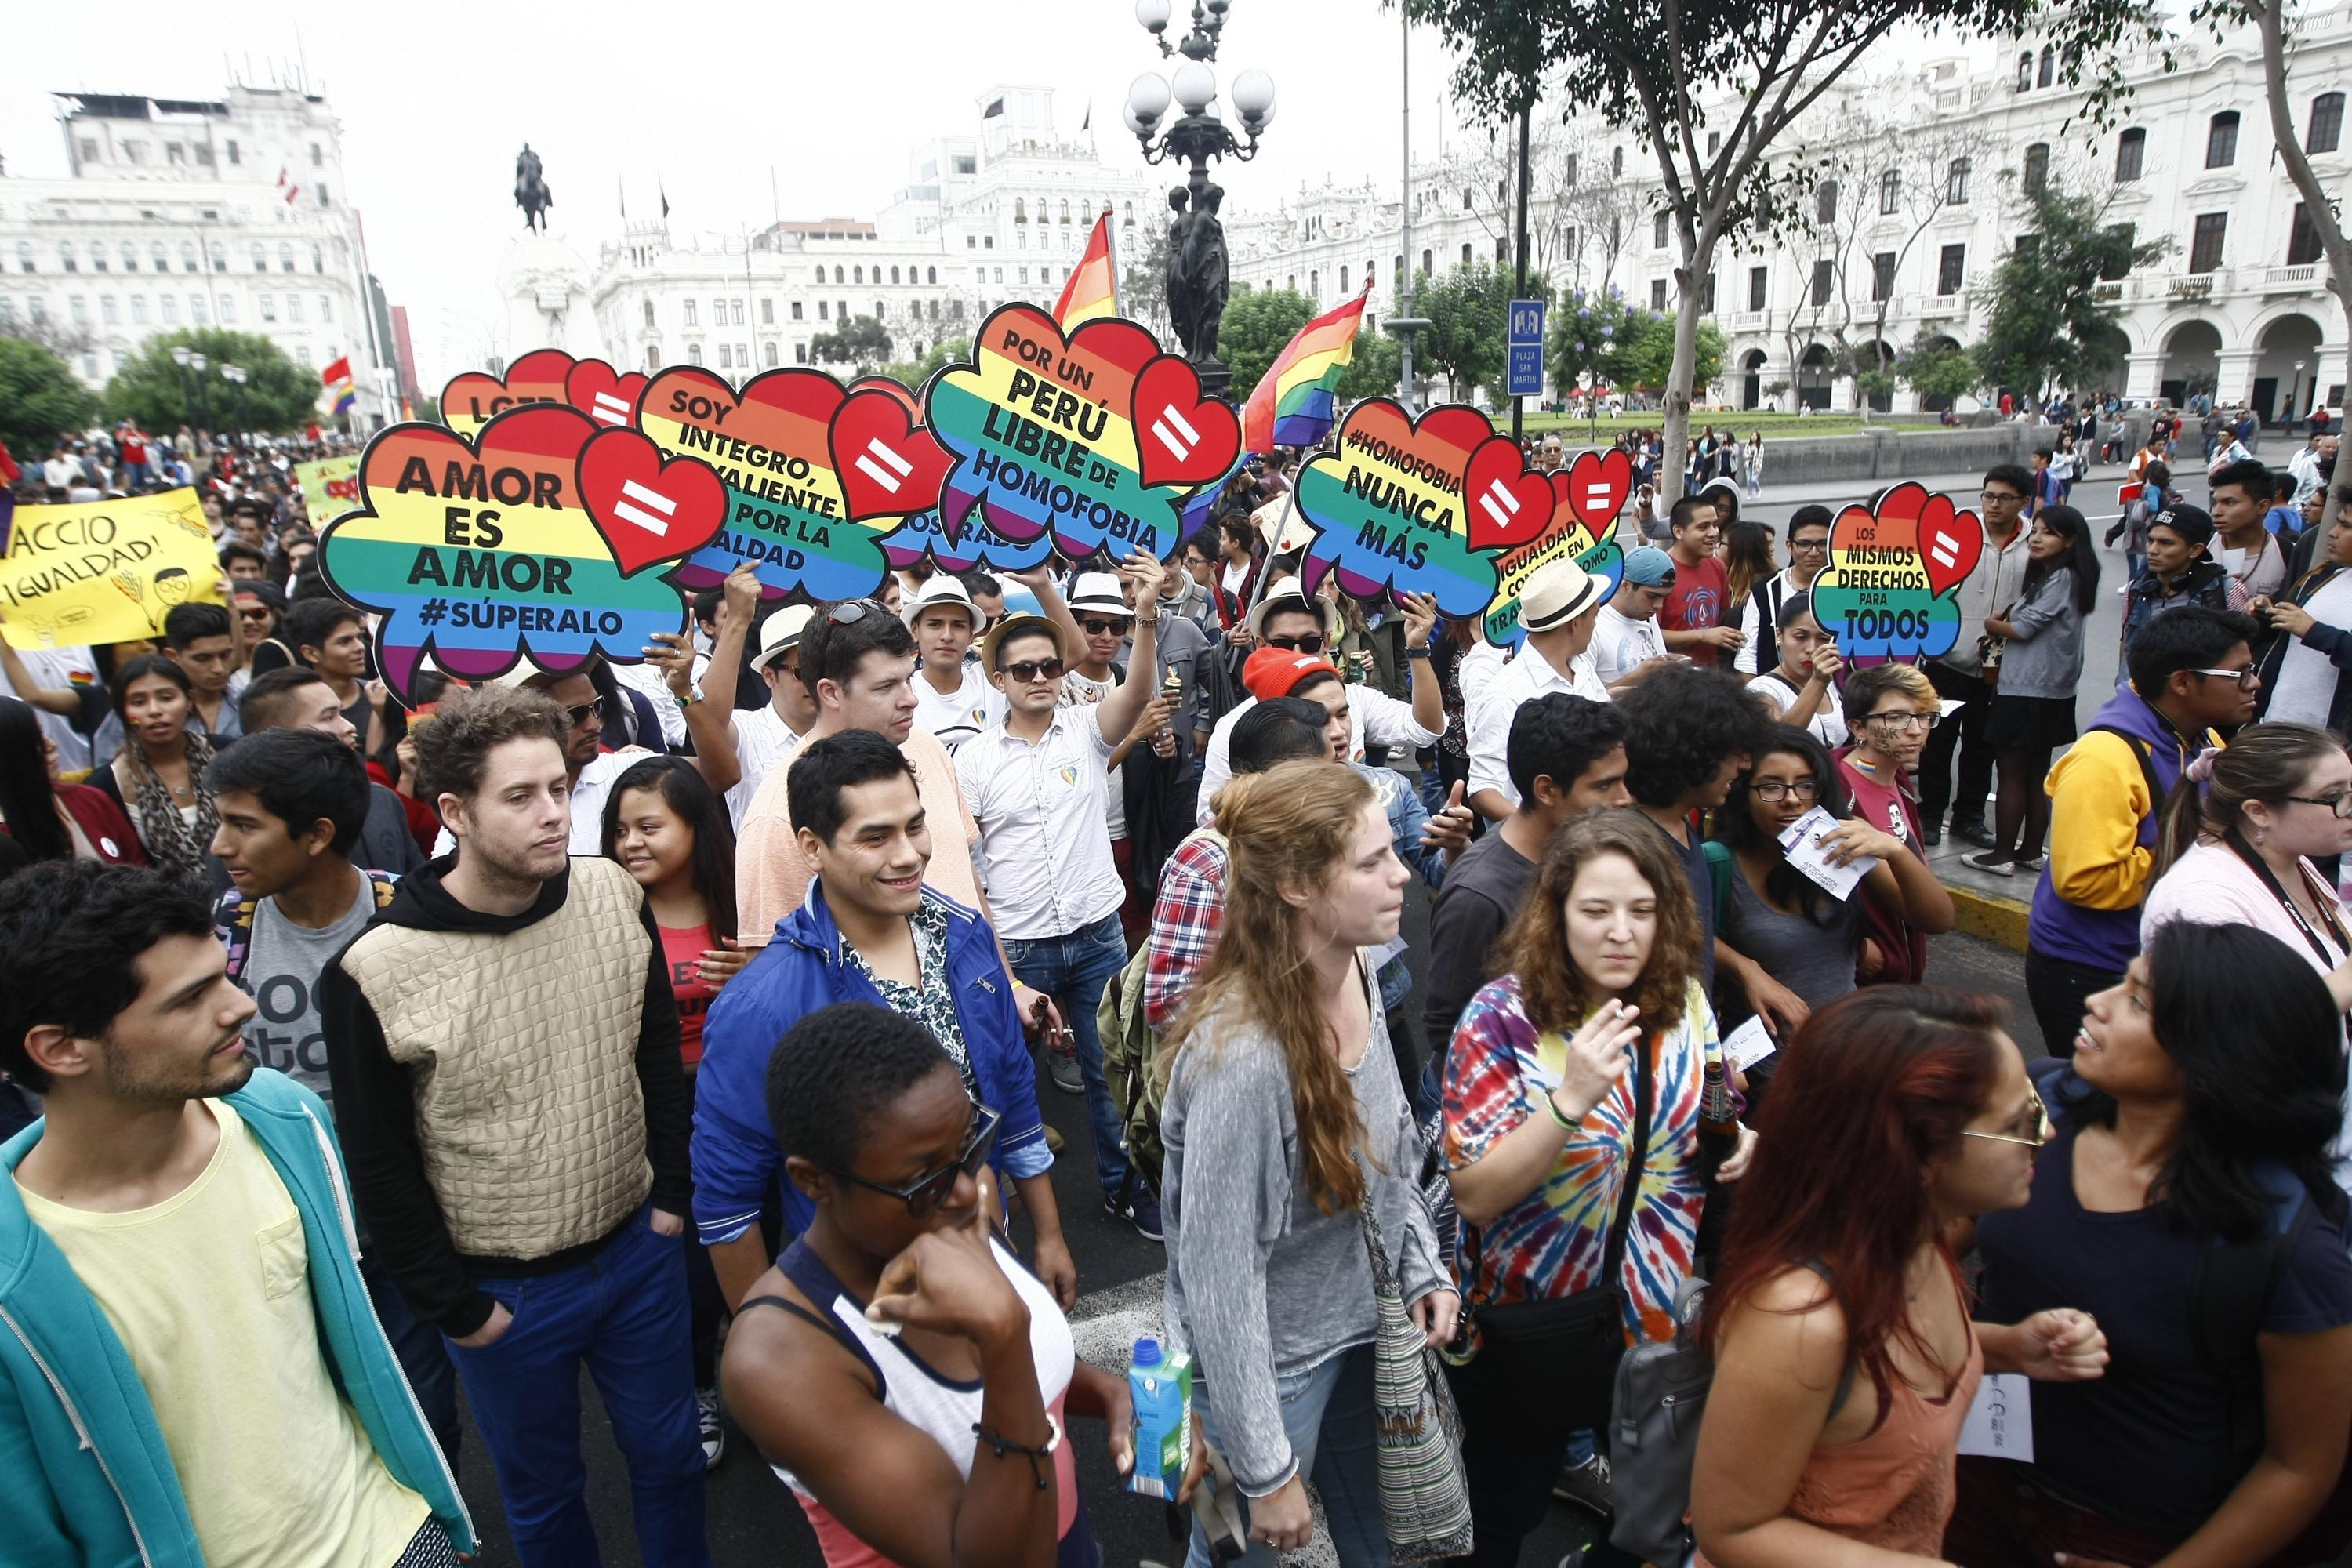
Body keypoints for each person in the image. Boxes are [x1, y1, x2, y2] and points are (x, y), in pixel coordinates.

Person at [319, 683, 707, 1568]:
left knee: (672, 1460)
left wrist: (670, 1202)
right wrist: (457, 1307)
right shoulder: (376, 967)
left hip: (639, 1250)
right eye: (520, 796)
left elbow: (656, 1057)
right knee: (543, 1500)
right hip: (505, 1294)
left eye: (560, 789)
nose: (550, 814)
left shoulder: (612, 892)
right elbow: (379, 1160)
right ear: (453, 809)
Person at [0, 861, 477, 1567]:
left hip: (399, 1539)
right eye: (190, 999)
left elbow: (351, 1352)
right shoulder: (17, 1279)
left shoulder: (286, 1122)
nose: (240, 1004)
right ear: (63, 1048)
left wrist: (431, 1516)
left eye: (223, 974)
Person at [1951, 924, 2352, 1566]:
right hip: (1970, 1477)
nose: (2097, 1002)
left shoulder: (2289, 1247)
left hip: (2125, 1536)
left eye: (2138, 1000)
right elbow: (1944, 1232)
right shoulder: (2044, 1099)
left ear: (2218, 1052)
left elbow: (2300, 1466)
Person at [1694, 989, 2110, 1566]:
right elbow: (1731, 1531)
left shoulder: (1922, 1240)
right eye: (2020, 1120)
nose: (2047, 1135)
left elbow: (1883, 1369)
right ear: (1916, 1155)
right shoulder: (1798, 1323)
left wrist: (2010, 1348)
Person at [1160, 760, 1454, 1567]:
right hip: (1270, 1372)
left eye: (1393, 852)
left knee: (1378, 1550)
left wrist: (1422, 1264)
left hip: (1363, 1329)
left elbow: (1391, 1134)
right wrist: (1264, 1468)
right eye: (1371, 862)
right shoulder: (1244, 1057)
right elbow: (1218, 1276)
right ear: (1293, 884)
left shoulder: (1357, 959)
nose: (1403, 875)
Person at [721, 1002, 1134, 1568]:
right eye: (922, 1179)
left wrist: (1107, 1391)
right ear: (813, 1182)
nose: (970, 1194)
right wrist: (1003, 1338)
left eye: (970, 1148)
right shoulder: (778, 1359)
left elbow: (1027, 1378)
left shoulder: (943, 1207)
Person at [1443, 810, 1752, 1563]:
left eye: (1642, 911)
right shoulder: (1502, 1020)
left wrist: (1741, 1141)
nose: (1622, 931)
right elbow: (1476, 1195)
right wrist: (1569, 1100)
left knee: (1650, 1517)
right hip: (1525, 1325)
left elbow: (1716, 1109)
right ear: (1555, 914)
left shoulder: (1685, 1001)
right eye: (1597, 911)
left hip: (1651, 1322)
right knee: (1501, 1519)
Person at [694, 731, 1073, 1305]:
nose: (908, 854)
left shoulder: (967, 936)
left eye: (914, 826)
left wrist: (1048, 1234)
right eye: (876, 837)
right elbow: (728, 1203)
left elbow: (1013, 1093)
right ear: (812, 847)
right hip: (869, 1303)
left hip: (992, 1253)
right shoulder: (761, 1005)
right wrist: (776, 1344)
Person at [957, 590, 1169, 1241]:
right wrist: (1001, 962)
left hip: (1097, 932)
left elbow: (1134, 695)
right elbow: (971, 872)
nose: (1042, 678)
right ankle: (990, 1209)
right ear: (1000, 681)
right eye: (1025, 670)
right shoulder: (973, 760)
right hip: (1020, 947)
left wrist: (1146, 620)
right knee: (995, 1079)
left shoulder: (1084, 728)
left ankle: (1125, 1190)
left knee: (1113, 1075)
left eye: (1050, 666)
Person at [2027, 606, 2263, 1057]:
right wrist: (2201, 845)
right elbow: (2086, 882)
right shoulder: (2105, 759)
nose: (2254, 683)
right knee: (2102, 1108)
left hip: (2153, 960)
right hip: (2093, 970)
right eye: (2240, 673)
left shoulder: (2203, 738)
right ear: (2183, 683)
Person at [603, 755, 749, 1468]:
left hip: (737, 1108)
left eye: (649, 826)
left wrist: (756, 977)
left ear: (696, 827)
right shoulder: (601, 915)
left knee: (758, 1251)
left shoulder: (738, 906)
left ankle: (757, 1372)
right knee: (689, 1268)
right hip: (655, 1114)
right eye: (621, 828)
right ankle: (698, 1386)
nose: (631, 842)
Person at [1713, 725, 1953, 1041]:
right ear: (1744, 794)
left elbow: (1937, 920)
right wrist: (1745, 969)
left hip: (1845, 1051)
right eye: (1771, 787)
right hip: (1763, 1068)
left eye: (1806, 786)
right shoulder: (1719, 860)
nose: (1792, 800)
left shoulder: (1840, 842)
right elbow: (1686, 937)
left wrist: (1896, 852)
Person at [1423, 695, 1631, 1057]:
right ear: (1546, 790)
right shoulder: (1478, 898)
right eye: (1603, 786)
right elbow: (1450, 1031)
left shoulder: (1589, 855)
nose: (1625, 798)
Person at [2144, 723, 2352, 1035]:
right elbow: (2239, 1030)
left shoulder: (2291, 860)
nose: (2349, 807)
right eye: (2334, 796)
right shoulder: (2200, 898)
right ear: (2259, 811)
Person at [1617, 664, 1790, 1024]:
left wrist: (1744, 968)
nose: (1745, 765)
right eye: (1734, 752)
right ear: (1693, 752)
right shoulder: (1633, 855)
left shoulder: (1680, 824)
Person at [1194, 582, 1443, 824]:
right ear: (1261, 645)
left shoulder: (1353, 698)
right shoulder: (1234, 727)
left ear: (1325, 641)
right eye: (1283, 643)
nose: (1297, 654)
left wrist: (1417, 650)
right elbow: (1211, 818)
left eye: (1310, 642)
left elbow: (1425, 729)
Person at [1964, 504, 2100, 877]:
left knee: (2011, 773)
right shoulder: (2066, 576)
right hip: (2053, 690)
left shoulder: (2062, 578)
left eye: (2047, 533)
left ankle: (2002, 854)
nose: (2036, 538)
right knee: (2035, 773)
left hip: (2028, 690)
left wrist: (1994, 623)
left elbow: (2023, 628)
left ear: (2070, 540)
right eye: (2035, 531)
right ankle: (2027, 851)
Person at [1922, 465, 2033, 849]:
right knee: (1936, 742)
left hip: (1999, 668)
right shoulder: (1957, 534)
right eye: (1988, 496)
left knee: (1982, 747)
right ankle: (1931, 814)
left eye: (2004, 498)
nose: (1993, 505)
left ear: (2023, 502)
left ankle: (1968, 817)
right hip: (1945, 659)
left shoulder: (2035, 542)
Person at [239, 666, 427, 875]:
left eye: (340, 713)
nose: (349, 727)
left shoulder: (381, 799)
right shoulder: (248, 827)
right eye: (328, 718)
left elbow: (417, 886)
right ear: (278, 736)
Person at [1467, 558, 1613, 820]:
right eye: (1594, 616)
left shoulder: (1583, 670)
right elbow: (1483, 788)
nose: (1595, 625)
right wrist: (1538, 833)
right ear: (1575, 623)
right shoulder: (1506, 693)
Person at [1832, 662, 1944, 990]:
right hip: (1861, 987)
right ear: (1859, 727)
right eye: (1896, 718)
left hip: (1903, 977)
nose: (1915, 730)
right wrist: (1854, 945)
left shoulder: (1898, 776)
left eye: (1924, 716)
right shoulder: (1833, 792)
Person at [87, 655, 220, 883]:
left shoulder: (224, 751)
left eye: (167, 698)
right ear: (122, 712)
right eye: (138, 703)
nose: (155, 710)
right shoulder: (106, 785)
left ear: (189, 701)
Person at [0, 695, 144, 865]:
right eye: (32, 739)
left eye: (42, 733)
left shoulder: (90, 800)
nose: (51, 745)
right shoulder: (5, 839)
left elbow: (141, 871)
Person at [2255, 491, 2352, 732]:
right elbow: (2287, 639)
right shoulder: (2324, 575)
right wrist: (2267, 613)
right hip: (2276, 722)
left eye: (2346, 526)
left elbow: (2310, 631)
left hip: (2330, 744)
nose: (2332, 532)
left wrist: (2314, 631)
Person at [2119, 504, 2249, 681]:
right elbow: (2128, 643)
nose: (2152, 550)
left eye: (2166, 543)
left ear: (2195, 550)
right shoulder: (2135, 590)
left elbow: (2241, 654)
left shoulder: (2225, 591)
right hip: (2139, 699)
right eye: (2151, 540)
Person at [727, 603, 818, 827]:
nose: (816, 681)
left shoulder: (850, 730)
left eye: (824, 667)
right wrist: (737, 620)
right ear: (768, 676)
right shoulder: (745, 731)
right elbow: (709, 722)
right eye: (802, 671)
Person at [1733, 505, 1831, 677]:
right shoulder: (1766, 590)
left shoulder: (1849, 589)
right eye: (1805, 544)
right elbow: (1748, 657)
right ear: (1789, 546)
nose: (1814, 552)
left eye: (1823, 544)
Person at [906, 575, 1000, 753]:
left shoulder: (993, 680)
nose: (947, 636)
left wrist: (1042, 586)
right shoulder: (901, 693)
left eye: (958, 626)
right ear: (915, 631)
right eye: (935, 625)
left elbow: (1070, 656)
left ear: (971, 633)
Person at [1743, 593, 1848, 747]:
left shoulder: (1834, 685)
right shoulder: (1762, 689)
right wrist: (1818, 682)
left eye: (1824, 639)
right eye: (1800, 637)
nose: (1812, 649)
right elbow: (1778, 742)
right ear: (1780, 635)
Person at [1659, 495, 1739, 668]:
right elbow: (1651, 635)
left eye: (1715, 525)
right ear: (1679, 531)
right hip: (1672, 678)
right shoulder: (1660, 571)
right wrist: (1702, 635)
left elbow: (1722, 616)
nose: (1714, 533)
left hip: (1712, 678)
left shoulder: (1717, 566)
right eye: (1703, 527)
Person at [284, 597, 375, 740]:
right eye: (345, 642)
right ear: (311, 653)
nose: (359, 647)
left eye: (359, 637)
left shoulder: (381, 698)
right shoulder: (295, 711)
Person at [1589, 546, 1677, 690]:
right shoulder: (1593, 625)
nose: (1659, 606)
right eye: (1652, 596)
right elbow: (1583, 700)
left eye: (1664, 597)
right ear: (1625, 586)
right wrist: (1636, 678)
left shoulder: (1647, 616)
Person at [160, 601, 247, 744]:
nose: (218, 668)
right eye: (203, 658)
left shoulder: (252, 705)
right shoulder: (146, 712)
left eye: (225, 655)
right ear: (173, 657)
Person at [2211, 459, 2288, 601]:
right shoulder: (2201, 548)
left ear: (2262, 506)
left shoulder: (2287, 553)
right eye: (2216, 503)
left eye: (2230, 503)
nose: (2216, 511)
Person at [1719, 520, 1776, 636]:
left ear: (1737, 549)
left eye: (1722, 543)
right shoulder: (1722, 577)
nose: (1717, 547)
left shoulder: (1763, 587)